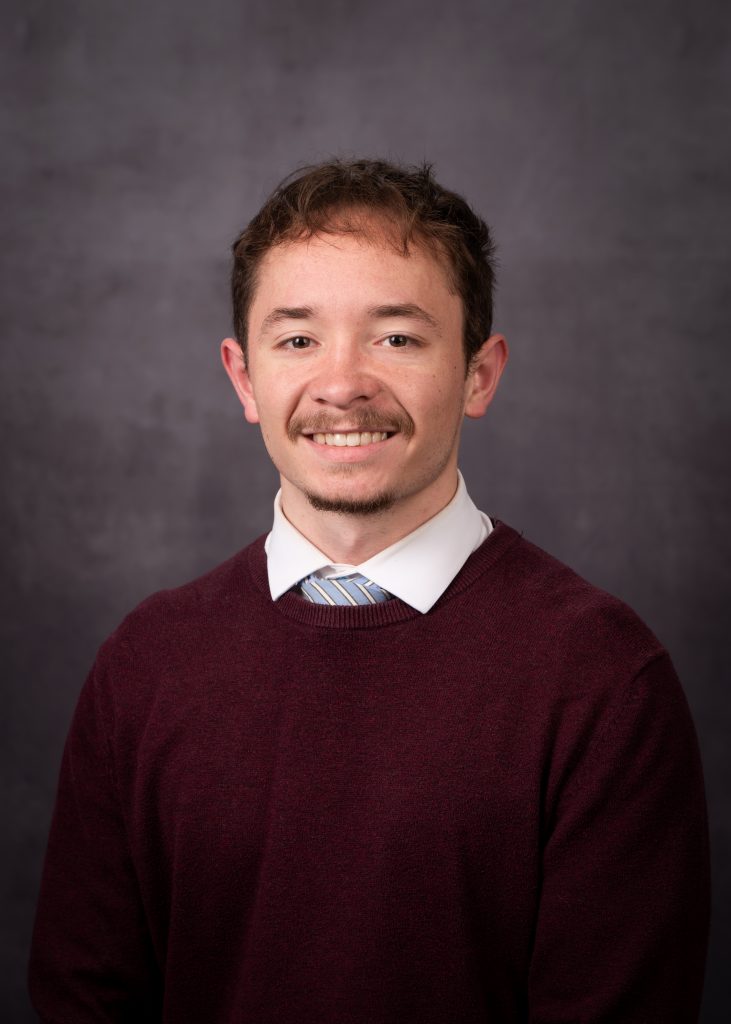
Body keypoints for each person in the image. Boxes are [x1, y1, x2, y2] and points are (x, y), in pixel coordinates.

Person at [29, 159, 710, 1023]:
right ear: (243, 378)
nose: (342, 383)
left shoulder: (603, 680)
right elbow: (83, 1000)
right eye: (297, 338)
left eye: (396, 336)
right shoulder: (146, 664)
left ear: (478, 373)